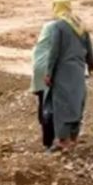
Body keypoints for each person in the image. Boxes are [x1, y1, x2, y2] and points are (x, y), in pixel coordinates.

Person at [41, 0, 93, 151]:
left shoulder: (58, 26)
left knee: (62, 105)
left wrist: (48, 72)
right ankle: (74, 137)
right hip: (78, 70)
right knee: (76, 102)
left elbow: (54, 51)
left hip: (62, 71)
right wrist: (91, 64)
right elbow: (89, 47)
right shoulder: (80, 24)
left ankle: (63, 140)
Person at [31, 20, 56, 150]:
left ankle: (47, 142)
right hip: (49, 76)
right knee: (51, 107)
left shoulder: (39, 47)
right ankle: (51, 141)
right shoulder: (54, 46)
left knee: (42, 104)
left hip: (39, 79)